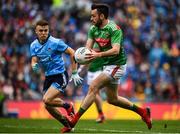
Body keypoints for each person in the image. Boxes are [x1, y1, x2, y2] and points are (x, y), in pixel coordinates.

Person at [64, 3, 152, 132]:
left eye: (93, 16)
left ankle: (73, 121)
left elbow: (116, 50)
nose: (91, 18)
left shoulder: (114, 29)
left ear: (102, 16)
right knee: (112, 99)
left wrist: (98, 54)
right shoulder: (93, 29)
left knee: (93, 86)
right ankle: (143, 112)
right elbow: (87, 51)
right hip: (108, 65)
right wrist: (77, 69)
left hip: (117, 65)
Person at [30, 19, 83, 133]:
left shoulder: (56, 42)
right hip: (48, 77)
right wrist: (34, 64)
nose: (43, 33)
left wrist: (74, 72)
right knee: (48, 105)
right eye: (41, 30)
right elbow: (34, 58)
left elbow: (72, 52)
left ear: (48, 30)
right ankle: (68, 125)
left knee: (46, 99)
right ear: (36, 31)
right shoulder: (33, 45)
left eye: (46, 30)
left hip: (60, 75)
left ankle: (68, 106)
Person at [78, 43, 105, 123]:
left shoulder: (101, 43)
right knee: (96, 94)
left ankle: (101, 113)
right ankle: (100, 114)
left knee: (94, 92)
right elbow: (87, 58)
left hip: (98, 70)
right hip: (90, 72)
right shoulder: (91, 43)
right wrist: (81, 67)